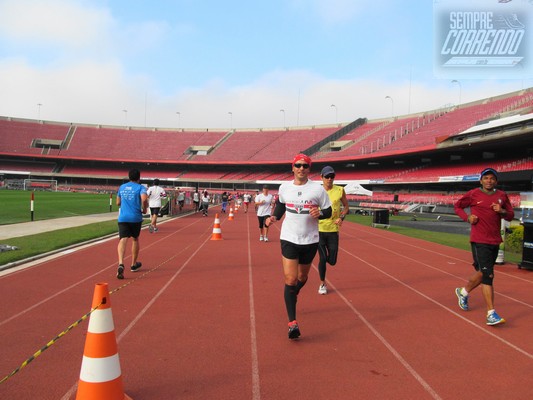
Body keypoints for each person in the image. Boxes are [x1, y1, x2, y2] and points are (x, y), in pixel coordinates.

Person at [266, 154, 332, 339]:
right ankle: (292, 323)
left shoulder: (317, 190)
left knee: (302, 277)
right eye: (298, 165)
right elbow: (280, 204)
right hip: (288, 238)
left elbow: (328, 210)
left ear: (309, 169)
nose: (301, 168)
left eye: (305, 165)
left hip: (310, 240)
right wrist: (275, 217)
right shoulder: (284, 187)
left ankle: (293, 294)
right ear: (292, 167)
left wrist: (320, 212)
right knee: (290, 279)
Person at [454, 167, 514, 326]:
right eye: (486, 178)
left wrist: (501, 210)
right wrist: (467, 218)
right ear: (481, 180)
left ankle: (463, 292)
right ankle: (491, 313)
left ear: (496, 181)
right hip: (479, 239)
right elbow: (458, 206)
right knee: (488, 276)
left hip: (495, 240)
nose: (489, 181)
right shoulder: (473, 194)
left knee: (482, 273)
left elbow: (510, 214)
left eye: (492, 178)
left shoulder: (502, 195)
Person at [317, 166, 349, 295]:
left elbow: (346, 207)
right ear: (321, 177)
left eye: (332, 176)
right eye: (327, 176)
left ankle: (328, 264)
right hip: (318, 229)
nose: (329, 179)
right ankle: (322, 283)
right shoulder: (316, 191)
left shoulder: (340, 190)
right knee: (322, 258)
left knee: (332, 261)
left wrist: (341, 217)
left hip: (333, 230)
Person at [116, 168, 148, 279]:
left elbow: (118, 202)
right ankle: (133, 264)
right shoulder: (140, 187)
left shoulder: (122, 187)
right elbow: (144, 199)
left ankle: (120, 263)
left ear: (129, 177)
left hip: (123, 217)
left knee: (123, 239)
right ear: (139, 178)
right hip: (135, 217)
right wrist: (144, 209)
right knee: (135, 239)